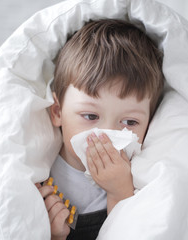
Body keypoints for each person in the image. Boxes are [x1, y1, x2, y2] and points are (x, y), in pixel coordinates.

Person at [35, 19, 164, 240]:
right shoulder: (41, 169)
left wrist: (119, 192)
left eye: (130, 122)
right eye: (91, 116)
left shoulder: (140, 176)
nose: (105, 133)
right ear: (57, 112)